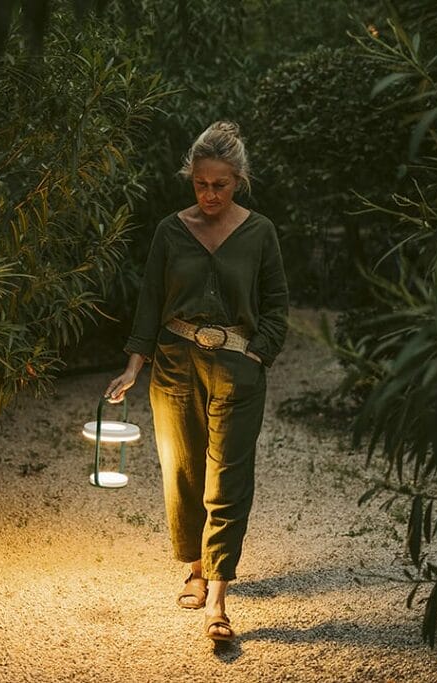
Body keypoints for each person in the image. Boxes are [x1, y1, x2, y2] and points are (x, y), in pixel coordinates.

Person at [105, 121, 289, 642]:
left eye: (221, 185)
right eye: (201, 184)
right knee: (182, 470)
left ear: (239, 181)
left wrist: (258, 354)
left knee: (227, 477)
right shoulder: (170, 230)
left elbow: (277, 304)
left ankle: (219, 596)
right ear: (192, 178)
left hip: (236, 367)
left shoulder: (260, 232)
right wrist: (132, 368)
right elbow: (149, 302)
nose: (209, 194)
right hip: (174, 364)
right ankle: (193, 566)